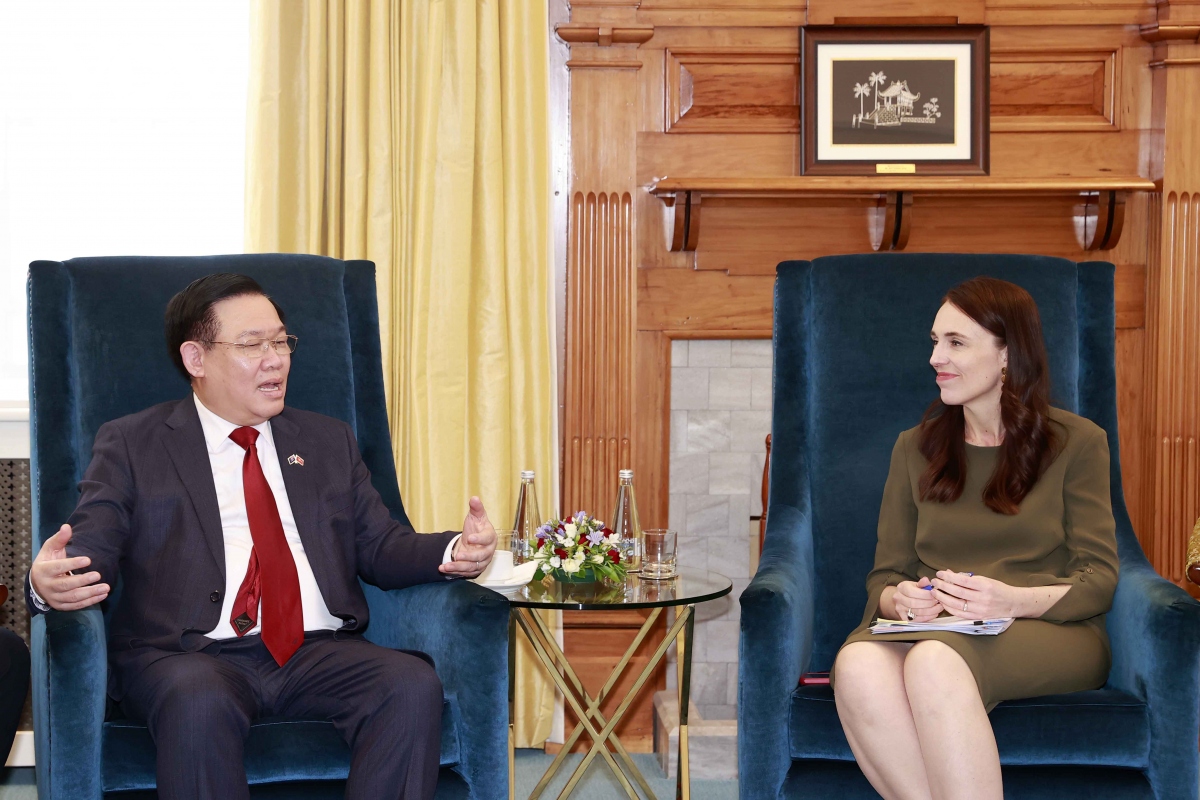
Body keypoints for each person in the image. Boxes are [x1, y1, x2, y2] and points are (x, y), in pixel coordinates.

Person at [24, 273, 497, 800]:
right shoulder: (134, 443)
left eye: (281, 342)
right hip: (189, 654)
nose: (275, 360)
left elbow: (381, 546)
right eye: (253, 345)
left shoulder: (326, 440)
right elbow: (94, 540)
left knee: (409, 685)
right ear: (196, 359)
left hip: (316, 650)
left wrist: (455, 549)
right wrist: (49, 582)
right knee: (197, 699)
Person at [831, 277, 1119, 800]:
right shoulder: (913, 448)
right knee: (857, 664)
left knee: (934, 661)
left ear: (1008, 354)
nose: (936, 358)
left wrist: (1011, 601)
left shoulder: (1078, 443)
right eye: (935, 341)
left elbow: (1099, 580)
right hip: (940, 628)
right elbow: (885, 576)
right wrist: (902, 601)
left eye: (956, 343)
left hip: (1051, 629)